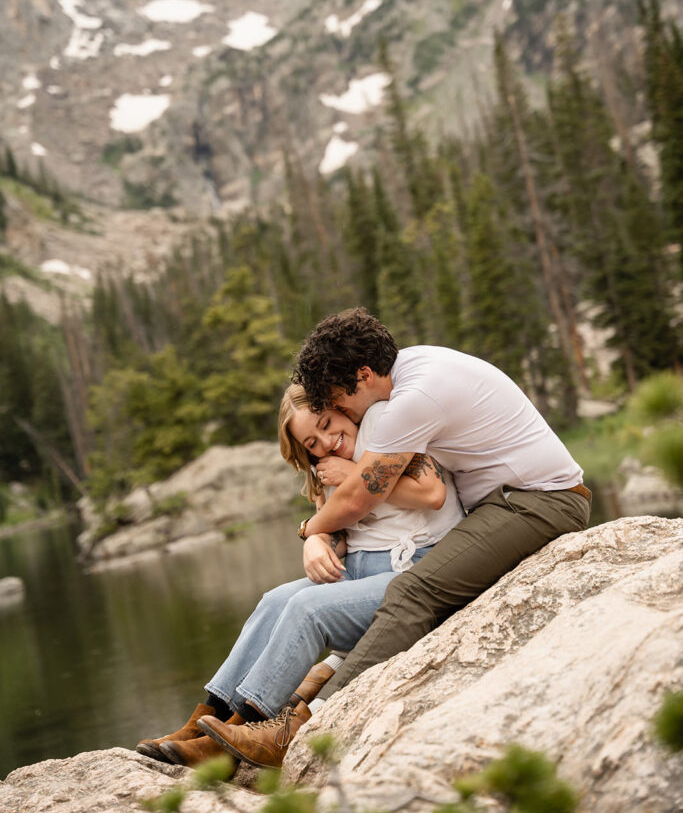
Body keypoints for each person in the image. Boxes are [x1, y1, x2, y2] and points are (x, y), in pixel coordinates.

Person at [213, 307, 592, 763]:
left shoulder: (411, 401)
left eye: (336, 399)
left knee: (414, 591)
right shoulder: (415, 364)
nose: (339, 411)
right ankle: (233, 713)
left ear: (365, 374)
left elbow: (360, 497)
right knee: (300, 599)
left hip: (538, 500)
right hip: (507, 502)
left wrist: (309, 531)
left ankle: (307, 724)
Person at [136, 382, 463, 769]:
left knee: (309, 608)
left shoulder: (383, 426)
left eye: (326, 424)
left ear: (340, 407)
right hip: (359, 569)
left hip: (413, 569)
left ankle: (233, 741)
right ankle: (204, 722)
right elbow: (338, 526)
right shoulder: (326, 462)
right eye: (312, 441)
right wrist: (316, 540)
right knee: (274, 601)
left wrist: (356, 474)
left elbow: (432, 494)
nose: (326, 441)